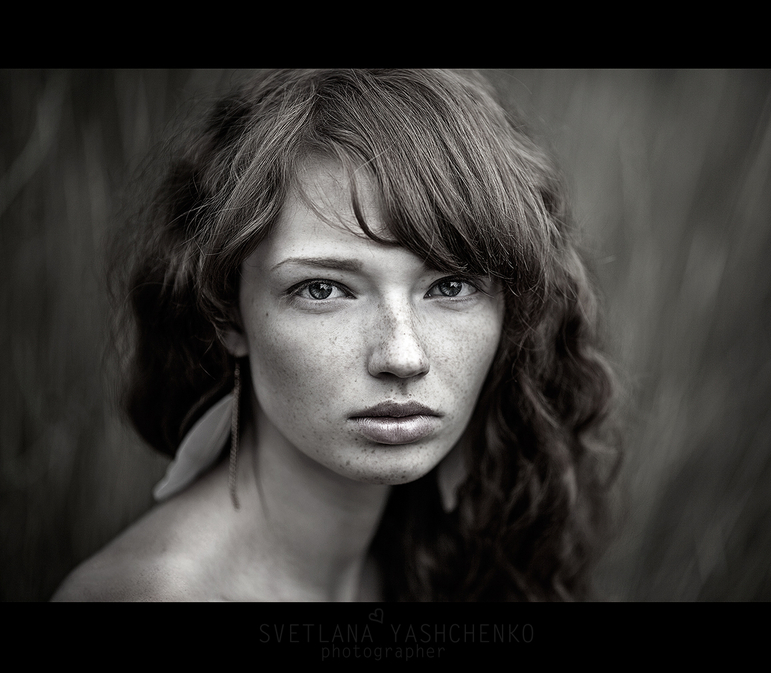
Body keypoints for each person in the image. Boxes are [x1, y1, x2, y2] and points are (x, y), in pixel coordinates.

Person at [52, 69, 619, 602]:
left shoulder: (459, 553)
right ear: (227, 316)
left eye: (451, 285)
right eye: (323, 289)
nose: (402, 356)